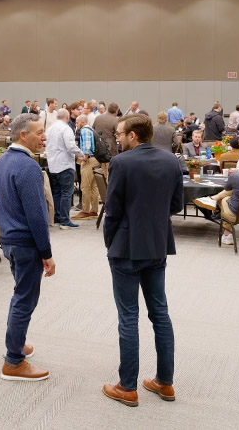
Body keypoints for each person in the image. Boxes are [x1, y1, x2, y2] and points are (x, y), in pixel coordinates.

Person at [102, 114, 182, 407]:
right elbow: (176, 205)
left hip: (126, 247)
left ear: (133, 136)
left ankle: (128, 387)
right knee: (160, 314)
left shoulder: (122, 162)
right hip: (157, 246)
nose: (119, 139)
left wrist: (110, 241)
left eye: (122, 134)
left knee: (128, 317)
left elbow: (112, 211)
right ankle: (165, 382)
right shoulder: (172, 161)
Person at [0, 113, 55, 381]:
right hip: (26, 243)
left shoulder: (2, 161)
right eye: (39, 132)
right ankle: (14, 361)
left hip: (8, 240)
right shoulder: (28, 167)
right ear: (23, 135)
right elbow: (37, 216)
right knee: (25, 300)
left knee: (20, 295)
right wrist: (47, 253)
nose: (44, 137)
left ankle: (16, 344)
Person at [45, 109, 83, 230]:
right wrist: (81, 154)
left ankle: (57, 218)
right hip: (65, 164)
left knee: (56, 192)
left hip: (52, 164)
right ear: (67, 117)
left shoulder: (50, 129)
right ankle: (65, 220)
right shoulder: (66, 129)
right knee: (66, 193)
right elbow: (71, 146)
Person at [72, 114, 99, 220]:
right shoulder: (91, 129)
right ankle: (94, 210)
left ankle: (85, 211)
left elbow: (87, 145)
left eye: (77, 122)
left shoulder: (84, 130)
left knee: (85, 186)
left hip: (89, 160)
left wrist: (84, 158)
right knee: (93, 186)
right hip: (96, 160)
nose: (76, 124)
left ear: (83, 122)